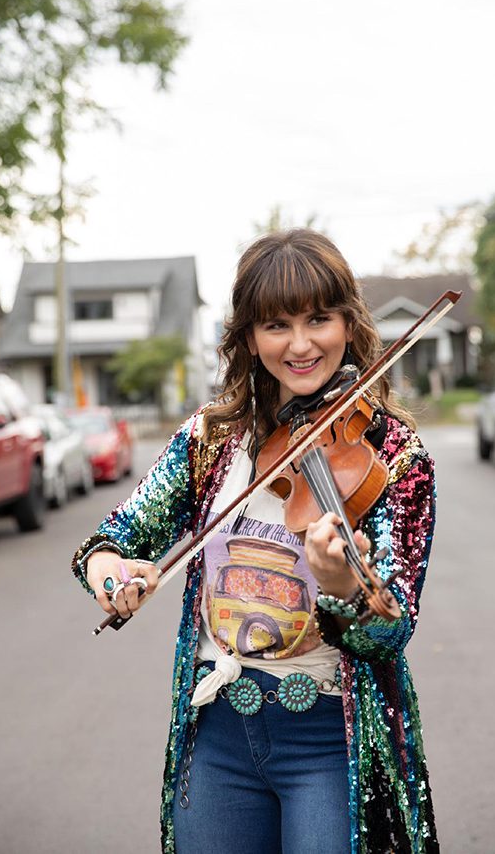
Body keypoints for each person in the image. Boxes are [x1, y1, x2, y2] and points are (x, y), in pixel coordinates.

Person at [72, 229, 439, 853]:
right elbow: (110, 541)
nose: (300, 344)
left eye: (318, 319)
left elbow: (391, 627)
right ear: (247, 337)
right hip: (218, 731)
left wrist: (344, 585)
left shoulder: (394, 454)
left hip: (330, 738)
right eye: (276, 325)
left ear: (348, 324)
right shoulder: (211, 439)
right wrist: (114, 576)